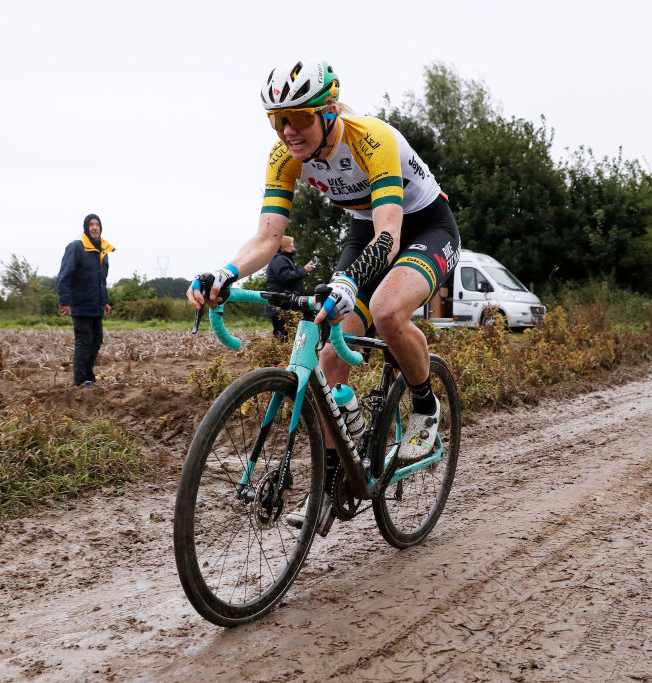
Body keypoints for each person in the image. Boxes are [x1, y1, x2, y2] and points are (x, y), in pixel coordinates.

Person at [187, 60, 461, 528]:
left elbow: (389, 238)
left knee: (386, 311)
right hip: (363, 231)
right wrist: (224, 274)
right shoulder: (284, 156)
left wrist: (349, 282)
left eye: (297, 118)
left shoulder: (371, 139)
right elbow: (268, 237)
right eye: (277, 120)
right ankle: (334, 484)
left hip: (422, 227)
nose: (287, 132)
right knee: (326, 355)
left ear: (328, 111)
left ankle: (424, 406)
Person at [57, 214, 113, 387]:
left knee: (96, 341)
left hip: (96, 305)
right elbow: (64, 276)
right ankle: (80, 382)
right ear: (86, 228)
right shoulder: (76, 248)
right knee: (84, 341)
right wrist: (65, 301)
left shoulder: (102, 251)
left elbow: (101, 281)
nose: (95, 227)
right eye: (91, 225)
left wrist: (105, 300)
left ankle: (89, 378)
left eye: (97, 224)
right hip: (80, 305)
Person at [264, 235, 315, 338]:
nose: (293, 247)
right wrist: (304, 270)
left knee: (285, 333)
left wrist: (303, 270)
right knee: (282, 334)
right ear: (285, 246)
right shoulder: (279, 260)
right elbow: (285, 276)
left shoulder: (282, 259)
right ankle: (280, 353)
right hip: (280, 303)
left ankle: (283, 352)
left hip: (283, 303)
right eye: (291, 244)